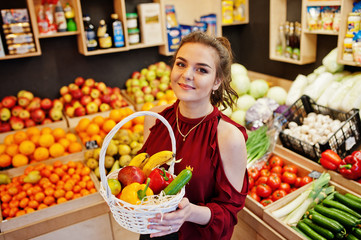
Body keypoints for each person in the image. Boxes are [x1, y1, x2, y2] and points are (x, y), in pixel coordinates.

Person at [139, 31, 248, 240]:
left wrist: (190, 213)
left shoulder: (228, 137)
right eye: (181, 64)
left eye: (201, 69)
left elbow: (228, 213)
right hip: (152, 232)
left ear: (217, 81)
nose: (187, 74)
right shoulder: (154, 119)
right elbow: (144, 179)